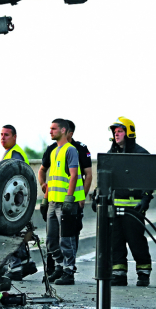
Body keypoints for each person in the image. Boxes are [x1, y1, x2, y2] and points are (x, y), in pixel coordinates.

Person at [38, 120, 91, 280]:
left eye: (53, 129)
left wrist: (70, 198)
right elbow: (52, 178)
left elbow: (75, 175)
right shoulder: (54, 152)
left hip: (65, 203)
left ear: (63, 130)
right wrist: (45, 200)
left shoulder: (72, 150)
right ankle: (60, 266)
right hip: (53, 202)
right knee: (50, 241)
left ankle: (69, 271)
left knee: (66, 239)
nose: (50, 131)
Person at [108, 117, 153, 287]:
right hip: (115, 207)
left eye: (120, 131)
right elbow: (106, 177)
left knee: (136, 240)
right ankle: (119, 274)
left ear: (129, 133)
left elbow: (150, 179)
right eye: (115, 132)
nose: (116, 134)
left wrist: (146, 198)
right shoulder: (111, 154)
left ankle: (143, 273)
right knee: (116, 241)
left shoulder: (140, 154)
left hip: (134, 207)